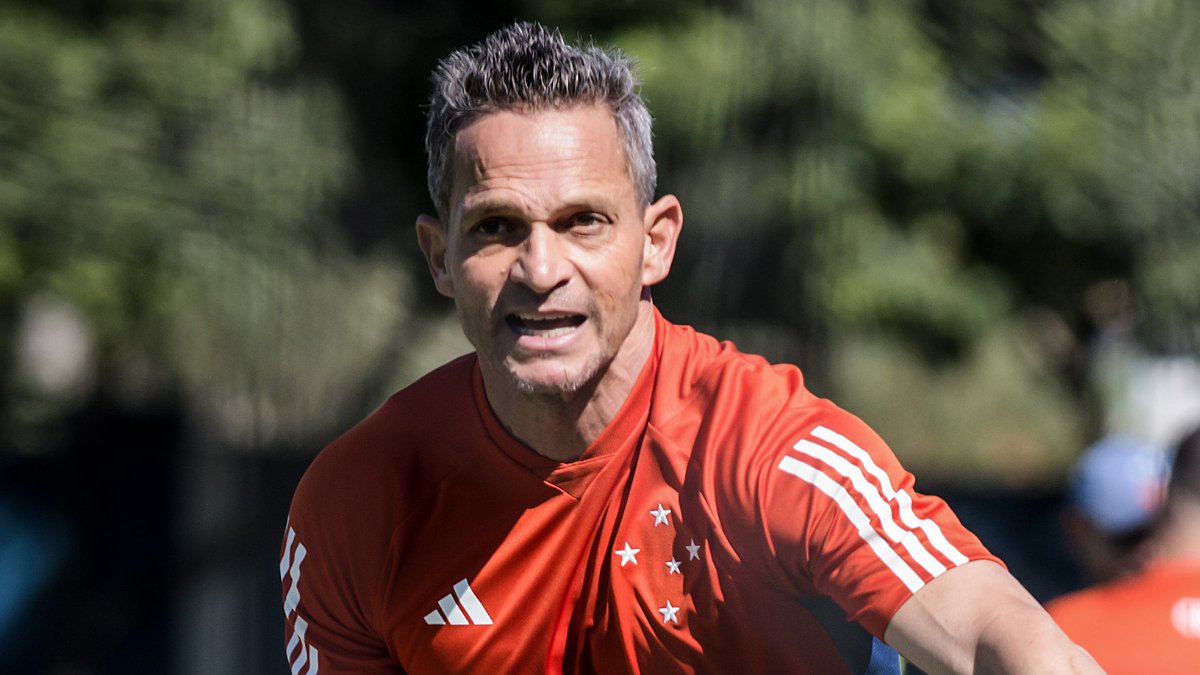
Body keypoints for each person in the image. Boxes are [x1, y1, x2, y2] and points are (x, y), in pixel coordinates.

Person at [280, 22, 1100, 674]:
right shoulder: (359, 503)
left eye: (582, 222)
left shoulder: (768, 451)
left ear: (656, 242)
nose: (541, 269)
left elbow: (992, 628)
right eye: (496, 227)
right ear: (439, 258)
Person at [1046, 425, 1200, 673]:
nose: (1147, 551)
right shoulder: (1065, 630)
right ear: (1076, 530)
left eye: (1157, 532)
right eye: (1128, 537)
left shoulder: (1062, 634)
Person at [1057, 435, 1170, 585]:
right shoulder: (1044, 592)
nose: (1153, 556)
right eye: (1131, 538)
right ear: (1077, 532)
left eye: (1166, 536)